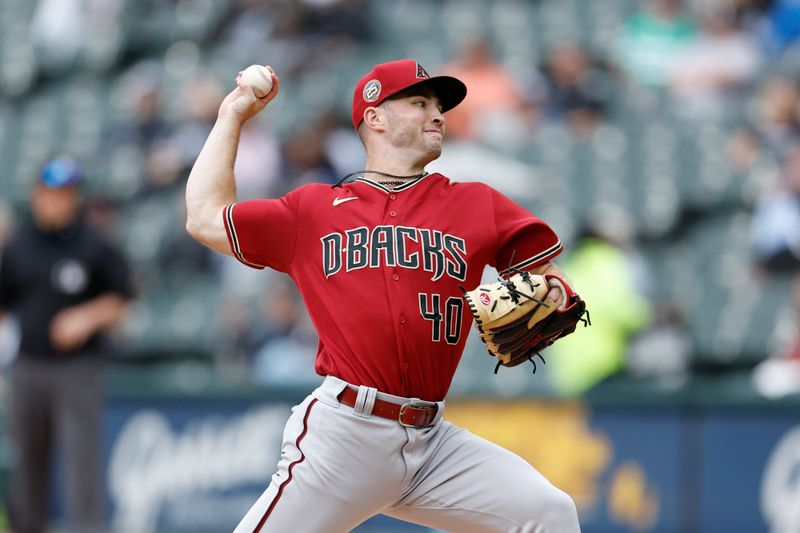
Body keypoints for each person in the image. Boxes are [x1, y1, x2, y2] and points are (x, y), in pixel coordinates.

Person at [185, 59, 581, 532]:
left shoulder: (475, 203)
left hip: (433, 444)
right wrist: (232, 115)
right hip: (347, 435)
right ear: (375, 116)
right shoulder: (312, 210)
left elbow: (550, 279)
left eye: (439, 106)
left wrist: (555, 291)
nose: (437, 114)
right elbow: (206, 217)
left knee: (549, 514)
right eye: (419, 103)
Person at [0, 157, 133, 533]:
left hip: (78, 368)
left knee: (81, 461)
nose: (61, 201)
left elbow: (123, 301)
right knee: (28, 460)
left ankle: (87, 529)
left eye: (68, 194)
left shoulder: (94, 245)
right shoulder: (18, 247)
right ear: (37, 194)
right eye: (54, 193)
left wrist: (86, 316)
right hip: (28, 366)